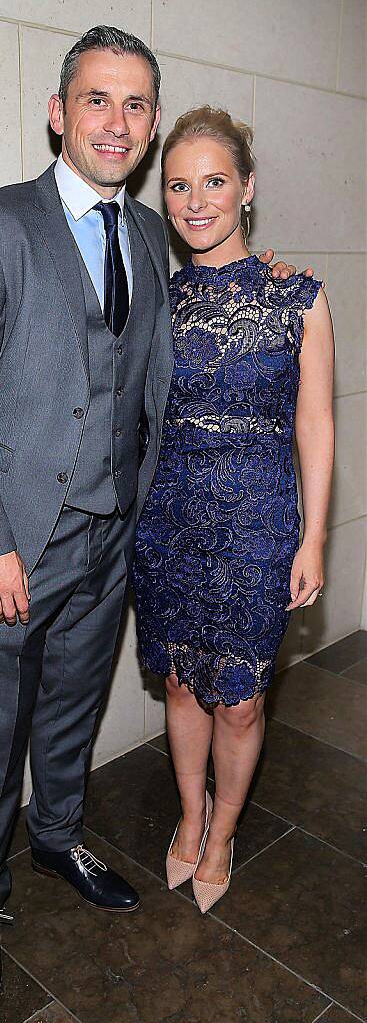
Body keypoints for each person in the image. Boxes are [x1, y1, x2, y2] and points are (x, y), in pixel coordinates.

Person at [0, 25, 307, 1013]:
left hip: (115, 540)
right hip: (16, 543)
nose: (118, 121)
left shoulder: (150, 236)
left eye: (137, 103)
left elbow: (191, 362)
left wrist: (265, 292)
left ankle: (56, 837)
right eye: (98, 98)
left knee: (68, 714)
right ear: (59, 112)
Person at [133, 106, 334, 915]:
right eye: (178, 184)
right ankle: (188, 816)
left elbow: (314, 424)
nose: (194, 200)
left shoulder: (299, 297)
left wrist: (312, 536)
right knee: (182, 684)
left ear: (246, 188)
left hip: (257, 520)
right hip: (168, 517)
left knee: (242, 696)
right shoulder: (157, 299)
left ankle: (221, 838)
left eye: (213, 180)